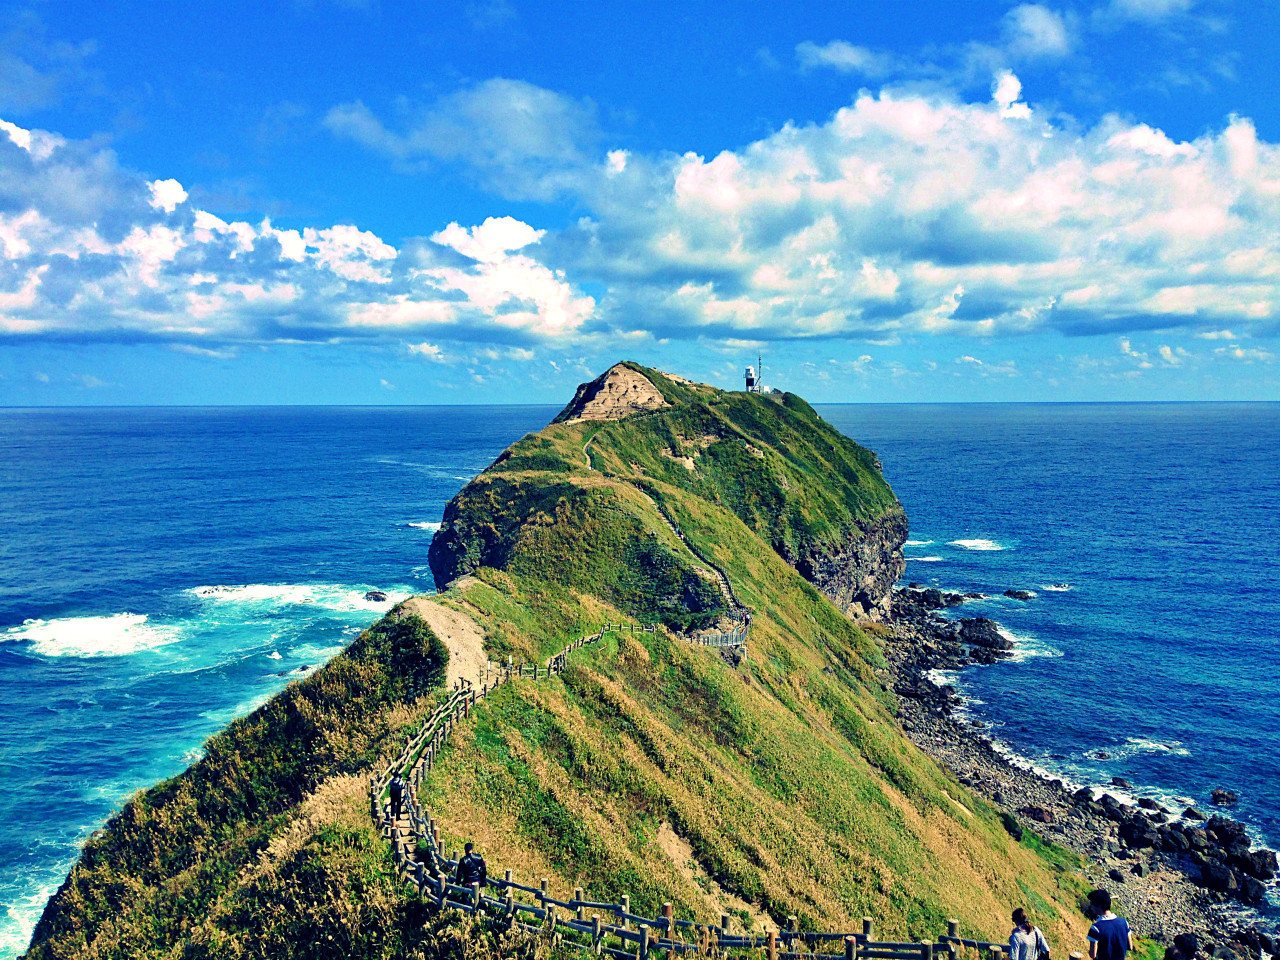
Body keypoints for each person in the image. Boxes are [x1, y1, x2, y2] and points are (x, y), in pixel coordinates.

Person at [1087, 890, 1135, 960]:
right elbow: (1130, 947)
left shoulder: (1096, 928)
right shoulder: (1124, 922)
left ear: (1098, 905)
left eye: (1092, 903)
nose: (1091, 906)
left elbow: (1093, 955)